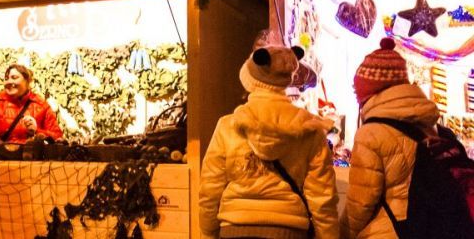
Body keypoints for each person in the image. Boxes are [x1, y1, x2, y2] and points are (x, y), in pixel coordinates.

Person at [199, 44, 339, 239]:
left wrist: (208, 230)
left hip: (234, 227)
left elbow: (210, 187)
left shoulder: (228, 126)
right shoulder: (309, 129)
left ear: (249, 80)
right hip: (288, 229)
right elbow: (322, 196)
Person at [340, 38, 471, 237]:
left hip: (394, 230)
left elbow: (360, 203)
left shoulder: (371, 133)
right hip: (435, 228)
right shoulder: (435, 128)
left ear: (369, 90)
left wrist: (341, 234)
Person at [0, 64, 62, 144]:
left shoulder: (41, 105)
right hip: (3, 156)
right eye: (6, 78)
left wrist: (37, 130)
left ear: (27, 81)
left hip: (32, 157)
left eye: (14, 78)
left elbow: (57, 137)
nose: (9, 82)